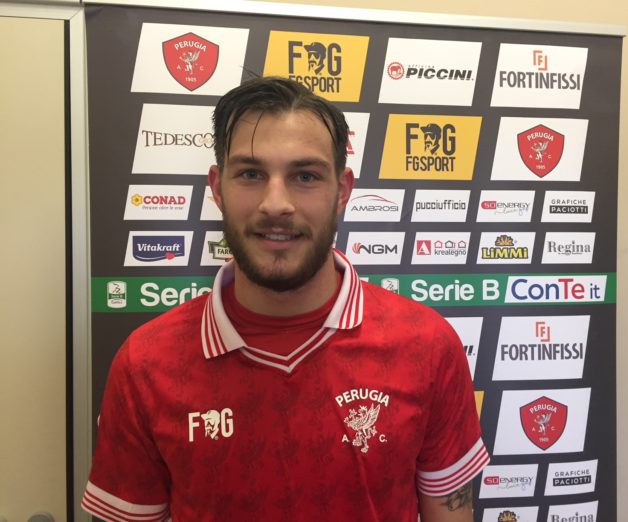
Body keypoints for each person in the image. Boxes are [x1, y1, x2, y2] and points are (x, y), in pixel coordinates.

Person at [82, 76, 489, 522]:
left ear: (343, 190)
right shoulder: (145, 364)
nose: (276, 203)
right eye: (251, 174)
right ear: (217, 188)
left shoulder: (427, 345)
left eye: (305, 176)